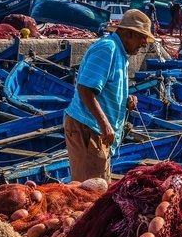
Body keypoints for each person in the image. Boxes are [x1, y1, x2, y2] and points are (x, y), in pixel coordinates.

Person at [63, 9, 155, 181]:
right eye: (141, 40)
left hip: (98, 131)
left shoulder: (120, 54)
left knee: (100, 188)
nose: (142, 45)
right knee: (89, 192)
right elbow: (85, 89)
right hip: (88, 128)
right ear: (129, 33)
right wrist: (104, 124)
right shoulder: (108, 49)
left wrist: (124, 101)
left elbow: (104, 88)